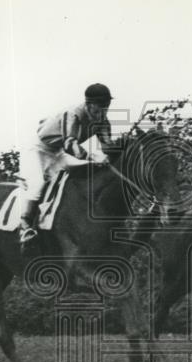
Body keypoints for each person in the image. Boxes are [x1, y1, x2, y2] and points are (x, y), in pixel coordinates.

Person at [18, 83, 117, 247]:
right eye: (100, 107)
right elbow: (71, 144)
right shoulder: (72, 114)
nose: (103, 112)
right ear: (89, 104)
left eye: (106, 107)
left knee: (89, 170)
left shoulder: (102, 121)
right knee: (39, 184)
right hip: (38, 149)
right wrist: (94, 156)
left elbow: (107, 145)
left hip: (58, 153)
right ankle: (25, 225)